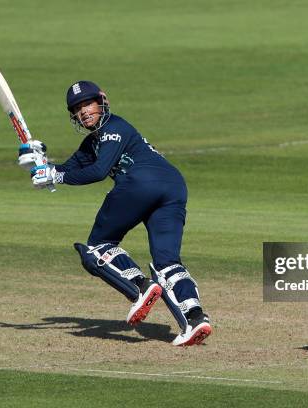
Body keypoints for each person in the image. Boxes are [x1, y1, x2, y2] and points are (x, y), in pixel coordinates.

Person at [19, 80, 212, 346]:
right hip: (173, 187)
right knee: (168, 263)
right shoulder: (92, 143)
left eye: (88, 103)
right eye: (77, 108)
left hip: (141, 183)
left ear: (102, 101)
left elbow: (98, 172)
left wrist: (54, 175)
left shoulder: (114, 129)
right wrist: (39, 163)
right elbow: (67, 170)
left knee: (97, 247)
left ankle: (140, 288)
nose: (84, 111)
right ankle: (195, 319)